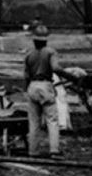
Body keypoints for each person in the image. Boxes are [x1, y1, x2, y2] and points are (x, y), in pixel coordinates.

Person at [23, 24, 80, 159]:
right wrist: (71, 77)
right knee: (52, 120)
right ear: (46, 40)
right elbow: (56, 68)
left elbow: (25, 75)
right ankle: (54, 150)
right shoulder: (50, 52)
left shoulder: (29, 54)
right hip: (46, 85)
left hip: (32, 86)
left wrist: (27, 91)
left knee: (34, 122)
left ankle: (33, 151)